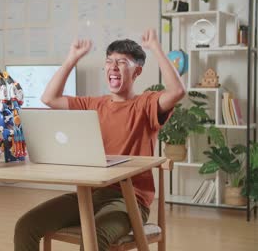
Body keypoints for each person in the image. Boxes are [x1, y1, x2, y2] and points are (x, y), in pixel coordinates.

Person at [14, 29, 185, 251]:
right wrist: (71, 58)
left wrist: (156, 48)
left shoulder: (146, 104)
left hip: (128, 201)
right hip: (88, 195)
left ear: (137, 72)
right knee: (26, 226)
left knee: (93, 238)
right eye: (109, 61)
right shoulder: (92, 104)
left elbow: (177, 91)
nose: (113, 67)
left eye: (122, 62)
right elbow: (50, 98)